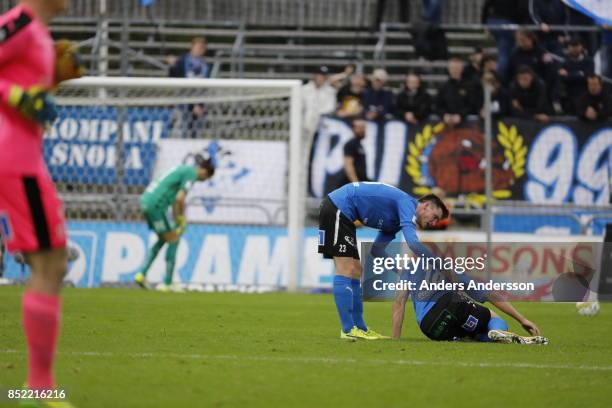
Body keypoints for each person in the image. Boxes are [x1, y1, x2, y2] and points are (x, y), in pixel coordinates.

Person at [0, 0, 74, 403]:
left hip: (25, 160)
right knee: (50, 262)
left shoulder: (39, 34)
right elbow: (15, 92)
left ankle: (39, 385)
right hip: (15, 162)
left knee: (53, 262)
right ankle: (38, 387)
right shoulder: (20, 23)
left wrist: (46, 88)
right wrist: (17, 96)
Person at [318, 181, 449, 340]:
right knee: (346, 269)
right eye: (435, 217)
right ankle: (348, 329)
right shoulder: (407, 204)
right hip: (338, 207)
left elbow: (377, 250)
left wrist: (399, 270)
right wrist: (440, 265)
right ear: (426, 205)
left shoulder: (396, 221)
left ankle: (360, 328)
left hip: (344, 213)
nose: (434, 223)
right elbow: (413, 243)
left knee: (355, 270)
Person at [391, 268, 549, 344]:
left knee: (471, 336)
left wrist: (395, 339)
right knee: (491, 316)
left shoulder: (408, 271)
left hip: (429, 327)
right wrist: (522, 319)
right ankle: (496, 331)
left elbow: (399, 302)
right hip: (451, 305)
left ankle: (488, 336)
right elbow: (488, 294)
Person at [135, 156, 215, 292]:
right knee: (174, 239)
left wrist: (177, 218)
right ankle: (167, 282)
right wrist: (182, 218)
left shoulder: (182, 169)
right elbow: (180, 198)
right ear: (204, 171)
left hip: (146, 201)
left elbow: (174, 201)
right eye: (206, 178)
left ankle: (141, 274)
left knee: (163, 238)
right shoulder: (192, 174)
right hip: (156, 205)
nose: (203, 180)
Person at [168, 37, 210, 138]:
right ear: (192, 47)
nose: (199, 50)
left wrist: (199, 104)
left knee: (196, 130)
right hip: (183, 100)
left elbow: (204, 87)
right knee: (182, 128)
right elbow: (173, 76)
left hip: (198, 101)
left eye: (201, 48)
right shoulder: (182, 61)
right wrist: (172, 66)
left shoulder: (205, 65)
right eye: (197, 47)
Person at [481, 0, 530, 81]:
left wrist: (484, 24)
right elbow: (522, 8)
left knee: (505, 51)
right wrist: (521, 24)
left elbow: (486, 5)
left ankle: (504, 78)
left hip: (493, 22)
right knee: (505, 54)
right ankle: (502, 80)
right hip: (508, 23)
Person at [435, 58, 482, 127]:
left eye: (457, 68)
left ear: (461, 69)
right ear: (449, 69)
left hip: (468, 126)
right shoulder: (443, 86)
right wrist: (444, 115)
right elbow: (437, 105)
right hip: (447, 127)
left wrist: (461, 115)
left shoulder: (469, 86)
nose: (455, 70)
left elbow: (472, 105)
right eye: (453, 68)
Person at [557, 38, 594, 114]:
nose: (574, 49)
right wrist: (579, 73)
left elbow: (588, 76)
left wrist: (569, 74)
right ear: (568, 47)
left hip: (584, 93)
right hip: (568, 94)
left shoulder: (589, 61)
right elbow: (562, 78)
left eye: (576, 46)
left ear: (581, 47)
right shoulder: (564, 61)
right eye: (572, 46)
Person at [302, 66, 337, 139]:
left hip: (322, 124)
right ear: (315, 76)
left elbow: (330, 108)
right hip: (304, 123)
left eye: (323, 76)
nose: (321, 78)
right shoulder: (304, 89)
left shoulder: (330, 91)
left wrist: (316, 115)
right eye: (319, 75)